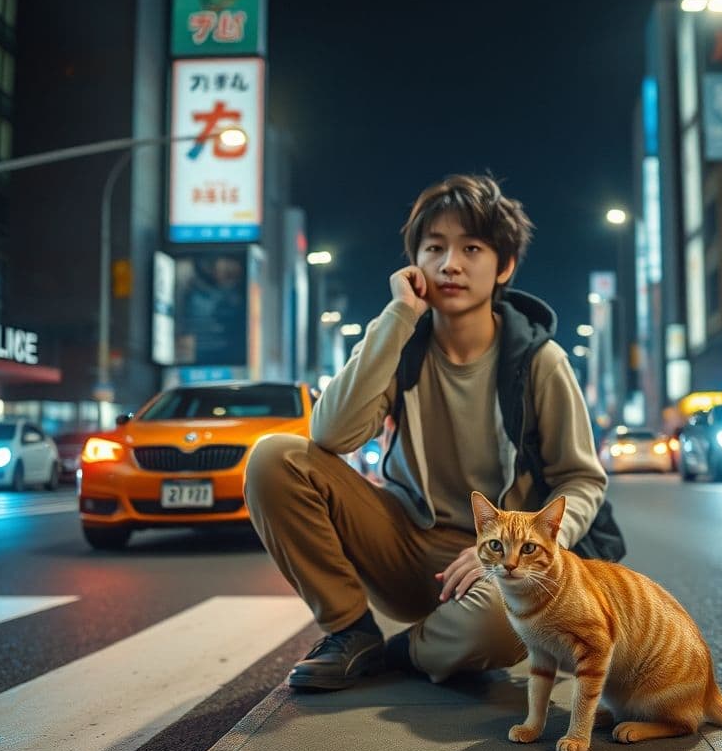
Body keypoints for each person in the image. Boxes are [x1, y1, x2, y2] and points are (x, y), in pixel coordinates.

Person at [245, 174, 607, 690]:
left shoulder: (540, 362)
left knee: (507, 625)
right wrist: (398, 317)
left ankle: (399, 653)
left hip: (495, 559)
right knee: (274, 457)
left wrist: (524, 547)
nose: (449, 264)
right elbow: (329, 433)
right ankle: (350, 630)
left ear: (503, 266)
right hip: (403, 545)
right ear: (414, 262)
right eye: (433, 248)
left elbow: (582, 479)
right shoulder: (402, 346)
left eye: (472, 248)